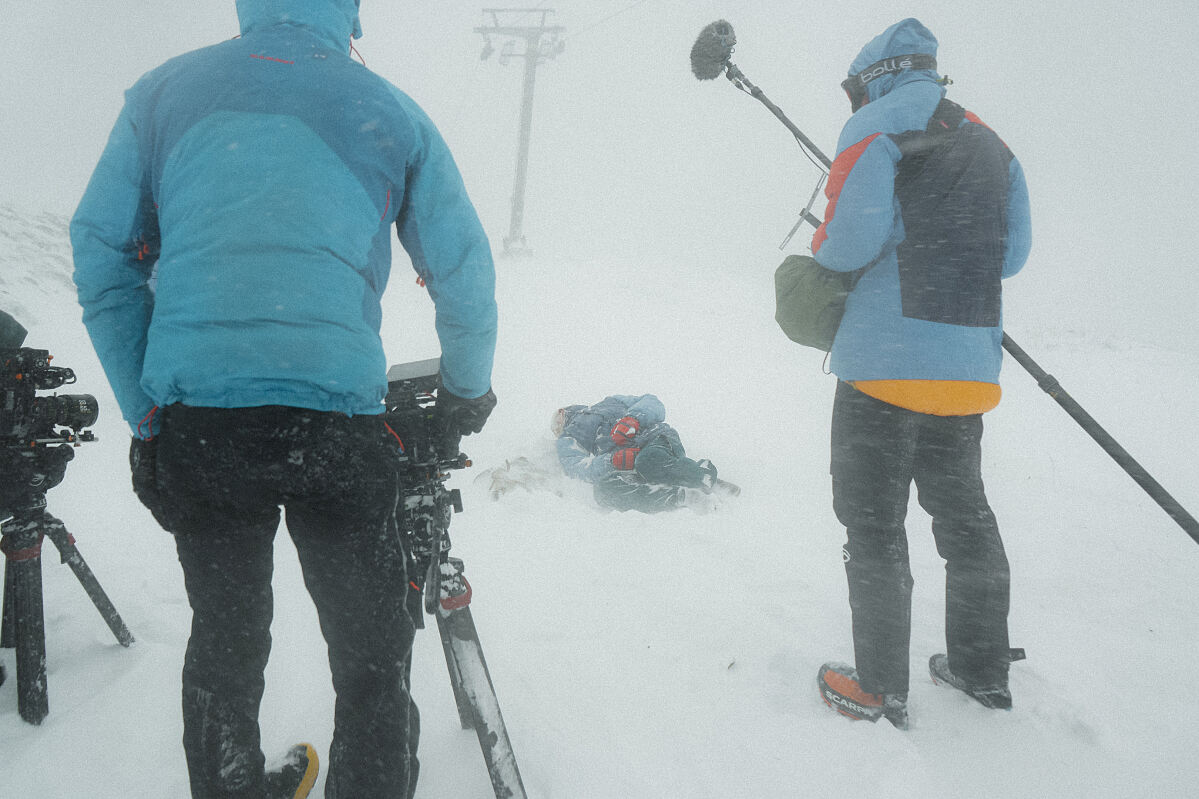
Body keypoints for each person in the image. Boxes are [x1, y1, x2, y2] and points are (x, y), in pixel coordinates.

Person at [70, 2, 498, 797]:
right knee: (370, 657)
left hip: (203, 426)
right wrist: (465, 392)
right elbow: (463, 270)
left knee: (225, 644)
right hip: (336, 422)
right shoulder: (390, 111)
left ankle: (231, 784)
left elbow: (101, 254)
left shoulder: (162, 95)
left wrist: (147, 410)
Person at [808, 18, 1031, 729]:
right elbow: (1011, 256)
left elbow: (845, 247)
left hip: (883, 367)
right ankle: (980, 669)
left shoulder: (874, 126)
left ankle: (878, 686)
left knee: (874, 525)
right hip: (965, 371)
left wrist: (820, 232)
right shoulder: (995, 144)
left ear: (872, 77)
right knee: (965, 519)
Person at [552, 394, 737, 513]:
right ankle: (682, 496)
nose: (558, 429)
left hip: (656, 440)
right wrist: (612, 461)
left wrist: (633, 419)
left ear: (562, 411)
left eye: (557, 425)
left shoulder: (610, 402)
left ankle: (703, 475)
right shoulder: (568, 438)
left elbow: (652, 403)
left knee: (649, 460)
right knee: (604, 491)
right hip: (631, 467)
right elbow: (575, 467)